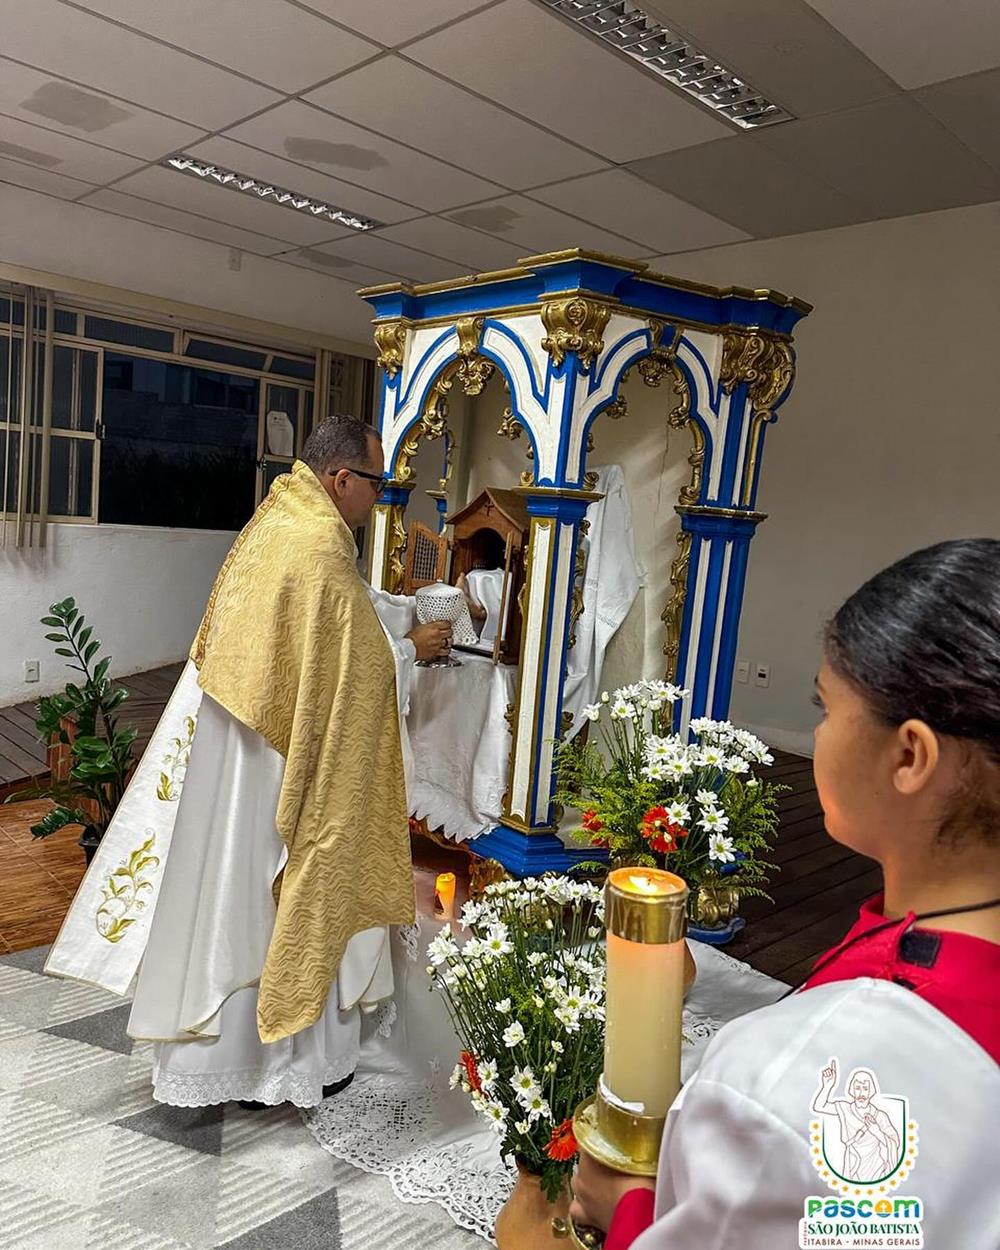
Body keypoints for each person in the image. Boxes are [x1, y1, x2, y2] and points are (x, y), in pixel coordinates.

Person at [571, 539, 1000, 1249]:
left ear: (909, 756)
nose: (819, 733)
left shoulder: (792, 1083)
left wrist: (627, 1210)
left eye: (824, 707)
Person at [46, 415, 452, 1107]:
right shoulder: (318, 547)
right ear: (342, 478)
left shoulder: (280, 521)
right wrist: (412, 648)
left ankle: (229, 1056)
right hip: (282, 761)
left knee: (233, 897)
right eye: (376, 482)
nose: (379, 496)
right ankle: (282, 1065)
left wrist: (393, 623)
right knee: (281, 892)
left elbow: (338, 627)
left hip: (245, 746)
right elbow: (353, 669)